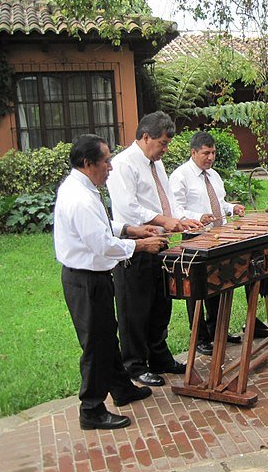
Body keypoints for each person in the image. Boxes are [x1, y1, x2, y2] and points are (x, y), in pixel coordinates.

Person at [54, 134, 170, 429]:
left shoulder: (84, 188)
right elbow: (102, 245)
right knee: (96, 344)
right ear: (87, 163)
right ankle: (91, 410)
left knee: (107, 335)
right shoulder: (79, 198)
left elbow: (102, 225)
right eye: (106, 161)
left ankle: (121, 388)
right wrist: (142, 245)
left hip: (92, 277)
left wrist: (132, 229)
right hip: (86, 280)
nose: (110, 167)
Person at [107, 111, 202, 387]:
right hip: (135, 247)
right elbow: (128, 209)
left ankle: (159, 356)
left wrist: (180, 220)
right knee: (135, 307)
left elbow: (166, 200)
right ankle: (135, 364)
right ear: (145, 137)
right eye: (162, 143)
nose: (165, 149)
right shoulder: (123, 164)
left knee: (161, 304)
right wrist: (164, 220)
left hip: (160, 243)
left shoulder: (156, 163)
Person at [169, 131, 245, 355]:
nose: (210, 157)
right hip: (195, 238)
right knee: (197, 290)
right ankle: (200, 337)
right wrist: (197, 217)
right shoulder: (180, 176)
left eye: (213, 152)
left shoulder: (214, 175)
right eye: (206, 153)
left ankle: (217, 331)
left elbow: (219, 202)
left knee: (219, 284)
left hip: (218, 236)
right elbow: (176, 210)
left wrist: (232, 208)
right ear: (193, 152)